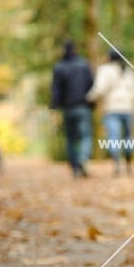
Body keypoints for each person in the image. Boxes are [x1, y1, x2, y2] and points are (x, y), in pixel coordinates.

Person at [86, 48, 134, 176]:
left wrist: (88, 97)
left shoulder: (105, 70)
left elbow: (99, 89)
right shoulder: (128, 71)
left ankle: (117, 165)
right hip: (129, 108)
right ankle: (129, 165)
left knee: (114, 137)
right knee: (128, 137)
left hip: (111, 108)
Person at [51, 40, 94, 178]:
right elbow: (91, 85)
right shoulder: (84, 65)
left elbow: (56, 90)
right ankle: (83, 158)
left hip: (68, 108)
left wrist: (54, 106)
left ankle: (75, 168)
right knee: (86, 135)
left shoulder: (59, 67)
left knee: (70, 139)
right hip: (83, 106)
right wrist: (92, 104)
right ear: (75, 49)